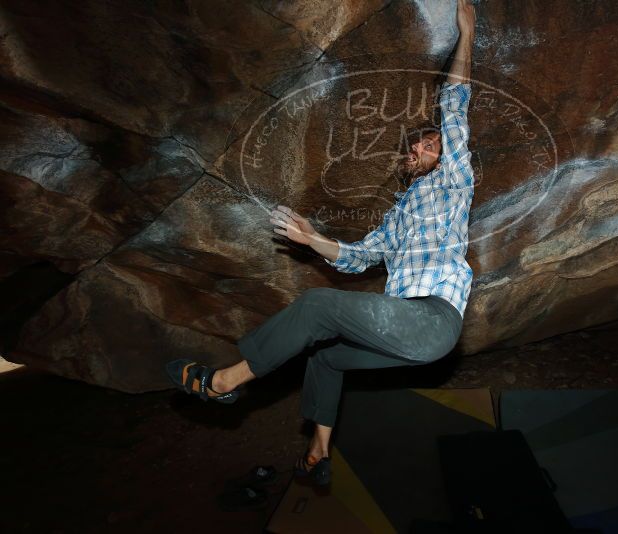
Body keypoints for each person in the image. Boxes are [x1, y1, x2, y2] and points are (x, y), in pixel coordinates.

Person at [166, 0, 477, 487]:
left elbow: (455, 100)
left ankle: (224, 383)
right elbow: (359, 258)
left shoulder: (455, 178)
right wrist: (314, 240)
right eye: (413, 146)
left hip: (434, 318)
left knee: (317, 307)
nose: (420, 148)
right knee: (327, 356)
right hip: (411, 339)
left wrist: (468, 31)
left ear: (446, 151)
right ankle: (318, 454)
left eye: (430, 142)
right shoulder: (400, 214)